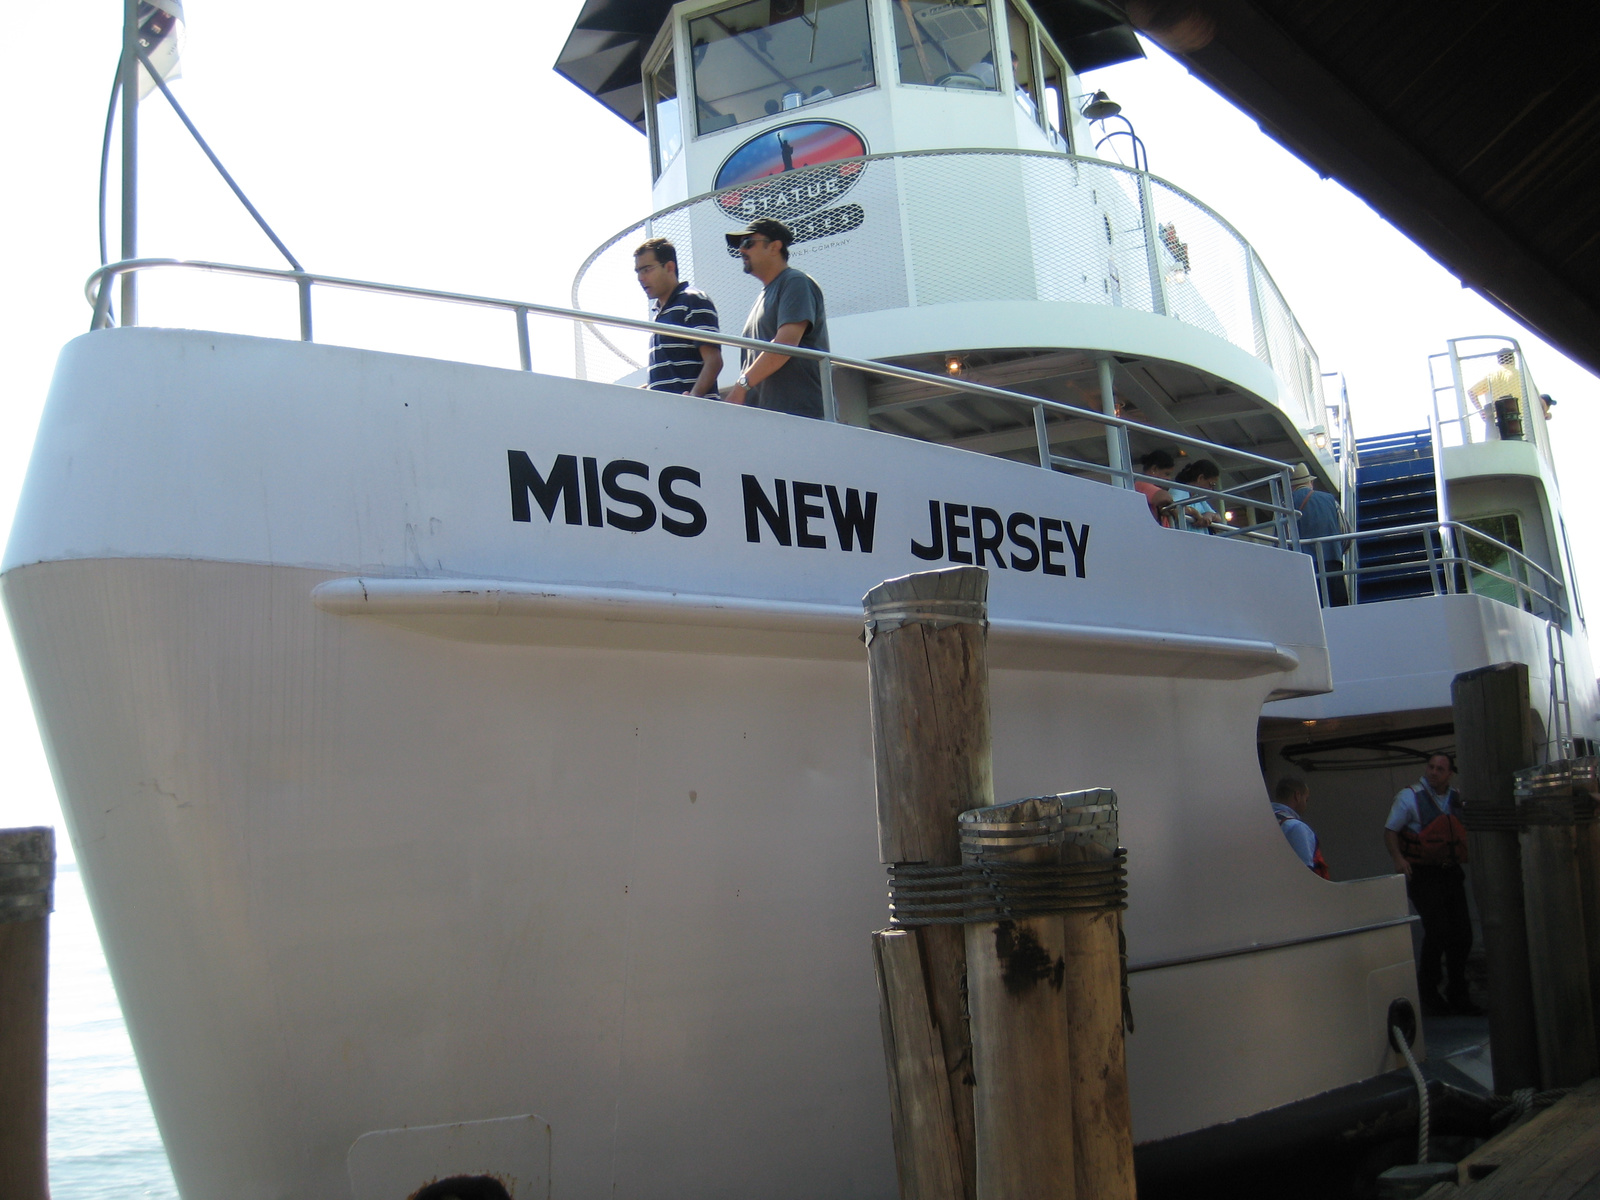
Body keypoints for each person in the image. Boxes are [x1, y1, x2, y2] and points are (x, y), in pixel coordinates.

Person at [1384, 752, 1478, 1016]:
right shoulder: (1409, 797)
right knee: (1438, 930)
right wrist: (1399, 859)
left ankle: (1458, 993)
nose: (1433, 772)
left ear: (1449, 774)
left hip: (1450, 873)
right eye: (1431, 767)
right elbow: (1390, 830)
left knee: (1462, 934)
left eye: (1440, 768)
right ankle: (1428, 991)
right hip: (1423, 874)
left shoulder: (1456, 798)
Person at [722, 218, 830, 419]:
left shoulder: (795, 281)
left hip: (800, 416)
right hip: (768, 419)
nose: (741, 251)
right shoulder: (764, 296)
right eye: (739, 246)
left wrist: (741, 386)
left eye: (748, 243)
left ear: (774, 247)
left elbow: (785, 345)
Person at [633, 237, 722, 399]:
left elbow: (714, 361)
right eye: (638, 271)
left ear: (669, 267)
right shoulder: (658, 313)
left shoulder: (693, 299)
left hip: (692, 416)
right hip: (669, 415)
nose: (640, 277)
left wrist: (693, 398)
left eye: (646, 269)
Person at [1290, 462, 1349, 606]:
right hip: (1332, 562)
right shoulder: (1329, 500)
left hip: (1302, 568)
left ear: (1291, 486)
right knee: (1338, 609)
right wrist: (1336, 550)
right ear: (1310, 482)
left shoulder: (1286, 504)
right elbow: (1346, 533)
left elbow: (1279, 542)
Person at [1271, 776, 1329, 878]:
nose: (1306, 805)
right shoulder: (1296, 828)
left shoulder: (1261, 823)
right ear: (1297, 796)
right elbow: (1305, 875)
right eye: (1306, 799)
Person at [1170, 458, 1225, 532]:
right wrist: (1195, 514)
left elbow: (1218, 518)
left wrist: (1210, 515)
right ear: (1200, 478)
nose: (1211, 489)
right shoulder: (1178, 490)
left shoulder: (1198, 498)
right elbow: (1172, 508)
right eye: (1211, 484)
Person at [1134, 450, 1178, 527]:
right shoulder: (1141, 484)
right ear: (1154, 469)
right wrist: (1173, 508)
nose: (1169, 479)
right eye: (1166, 474)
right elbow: (1164, 498)